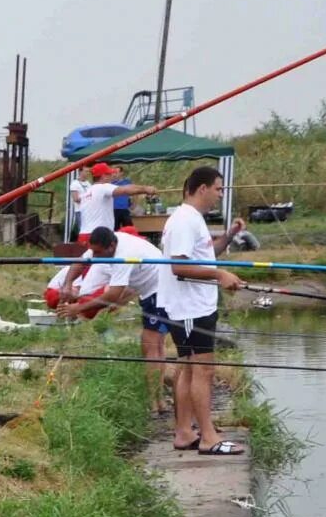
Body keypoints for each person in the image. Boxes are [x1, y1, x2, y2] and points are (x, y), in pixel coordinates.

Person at [156, 166, 248, 455]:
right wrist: (220, 276)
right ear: (202, 188)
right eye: (219, 189)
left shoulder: (193, 219)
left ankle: (185, 432)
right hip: (188, 309)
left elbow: (205, 256)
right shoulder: (185, 220)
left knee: (188, 368)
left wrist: (231, 233)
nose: (221, 195)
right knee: (203, 370)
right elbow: (179, 266)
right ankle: (208, 437)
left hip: (193, 307)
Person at [58, 225, 176, 412]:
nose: (95, 257)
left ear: (111, 246)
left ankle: (155, 402)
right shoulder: (104, 243)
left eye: (98, 253)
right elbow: (80, 262)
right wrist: (68, 284)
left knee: (151, 345)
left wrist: (78, 308)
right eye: (93, 252)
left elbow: (113, 295)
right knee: (155, 346)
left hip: (160, 288)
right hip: (148, 289)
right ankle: (158, 400)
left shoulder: (123, 255)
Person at [75, 162, 157, 238]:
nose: (112, 176)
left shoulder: (87, 192)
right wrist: (146, 189)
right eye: (109, 174)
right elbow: (126, 190)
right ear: (103, 176)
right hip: (99, 236)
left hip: (84, 235)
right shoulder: (103, 187)